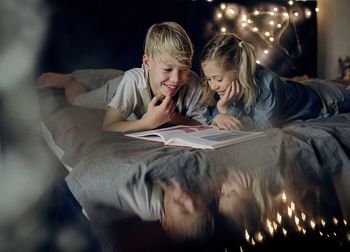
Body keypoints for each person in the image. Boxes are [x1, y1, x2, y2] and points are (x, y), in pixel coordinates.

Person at [37, 21, 209, 132]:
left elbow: (201, 125)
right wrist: (147, 123)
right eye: (167, 69)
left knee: (118, 75)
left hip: (129, 79)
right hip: (116, 89)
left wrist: (172, 117)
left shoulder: (192, 82)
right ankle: (69, 79)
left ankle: (79, 77)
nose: (176, 78)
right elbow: (109, 126)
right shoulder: (133, 81)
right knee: (78, 99)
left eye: (184, 68)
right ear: (147, 63)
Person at [199, 33, 350, 131]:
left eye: (218, 79)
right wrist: (219, 114)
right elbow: (216, 117)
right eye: (209, 79)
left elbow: (262, 126)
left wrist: (225, 110)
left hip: (325, 99)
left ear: (239, 69)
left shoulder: (268, 84)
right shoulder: (226, 84)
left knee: (344, 89)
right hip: (299, 88)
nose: (213, 86)